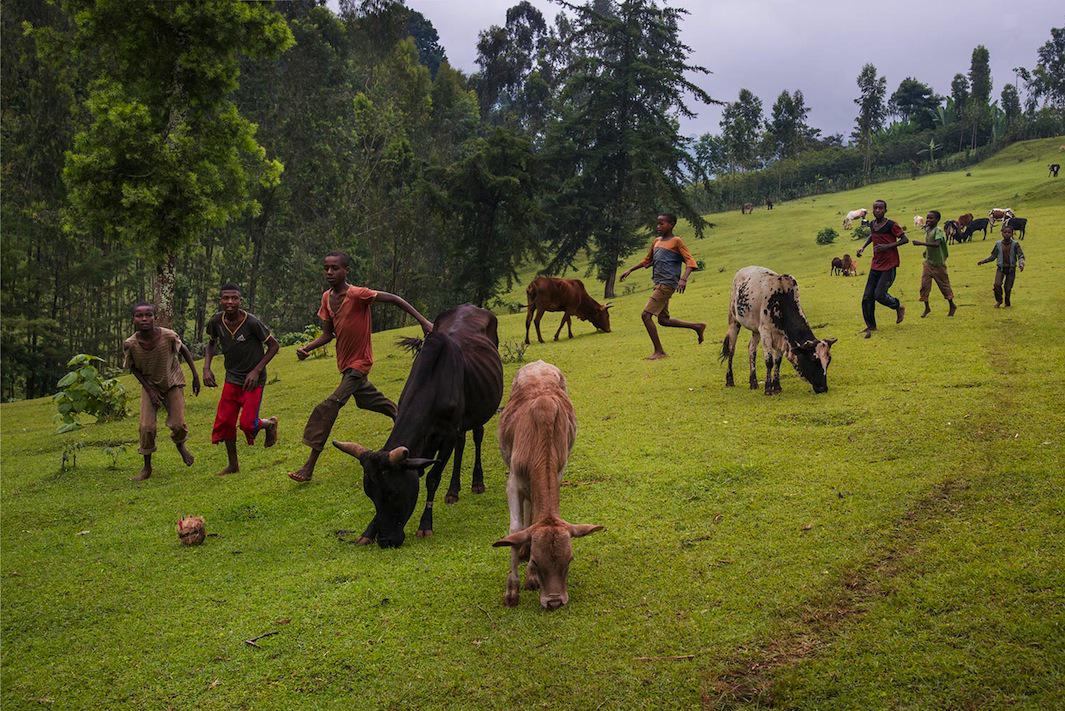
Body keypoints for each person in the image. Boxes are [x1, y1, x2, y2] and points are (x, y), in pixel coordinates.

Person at [288, 251, 434, 483]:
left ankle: (309, 466)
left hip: (359, 364)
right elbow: (328, 334)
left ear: (346, 270)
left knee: (330, 406)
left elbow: (395, 299)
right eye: (326, 268)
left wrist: (423, 321)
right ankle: (412, 424)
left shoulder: (358, 294)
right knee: (373, 401)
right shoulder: (327, 298)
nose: (329, 272)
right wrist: (308, 348)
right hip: (346, 366)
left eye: (334, 268)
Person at [203, 284, 280, 476]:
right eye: (226, 298)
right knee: (226, 423)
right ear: (220, 301)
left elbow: (273, 346)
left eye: (234, 298)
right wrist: (206, 368)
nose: (230, 302)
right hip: (232, 378)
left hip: (253, 380)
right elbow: (211, 343)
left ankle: (269, 424)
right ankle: (233, 465)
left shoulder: (252, 322)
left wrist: (257, 370)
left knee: (247, 424)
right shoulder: (215, 322)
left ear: (240, 300)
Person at [123, 302, 200, 480]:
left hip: (172, 382)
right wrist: (149, 390)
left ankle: (180, 445)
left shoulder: (168, 336)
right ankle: (147, 467)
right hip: (150, 386)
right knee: (146, 427)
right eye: (139, 316)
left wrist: (195, 376)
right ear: (133, 319)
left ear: (154, 317)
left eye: (148, 315)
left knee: (178, 424)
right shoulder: (130, 344)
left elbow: (185, 351)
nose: (144, 319)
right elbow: (133, 368)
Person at [619, 213, 706, 360]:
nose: (658, 227)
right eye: (657, 224)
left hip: (667, 284)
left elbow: (691, 262)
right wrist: (630, 269)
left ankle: (659, 351)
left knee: (646, 315)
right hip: (658, 283)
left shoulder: (676, 241)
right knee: (663, 320)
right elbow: (648, 260)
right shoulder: (656, 242)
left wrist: (683, 279)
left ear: (671, 224)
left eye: (662, 224)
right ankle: (697, 326)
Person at [856, 199, 909, 338]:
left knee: (879, 294)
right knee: (867, 296)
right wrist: (863, 247)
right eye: (875, 208)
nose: (878, 210)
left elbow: (905, 239)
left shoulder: (891, 225)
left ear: (885, 210)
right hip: (876, 265)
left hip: (889, 265)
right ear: (872, 210)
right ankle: (871, 326)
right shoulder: (873, 224)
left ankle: (897, 306)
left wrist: (887, 246)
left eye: (881, 208)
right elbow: (872, 236)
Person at [910, 210, 956, 318]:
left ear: (937, 220)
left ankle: (952, 305)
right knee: (924, 285)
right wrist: (926, 251)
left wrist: (920, 243)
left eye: (931, 218)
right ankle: (927, 308)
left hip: (938, 264)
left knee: (944, 286)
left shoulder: (938, 230)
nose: (928, 220)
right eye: (928, 218)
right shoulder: (928, 230)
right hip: (928, 263)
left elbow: (936, 244)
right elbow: (930, 244)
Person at [977, 224, 1025, 307]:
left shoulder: (1015, 244)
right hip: (1000, 268)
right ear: (1002, 233)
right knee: (997, 284)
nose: (1007, 234)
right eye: (1005, 232)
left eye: (1009, 232)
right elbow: (993, 256)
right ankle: (999, 300)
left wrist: (1021, 264)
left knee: (1008, 288)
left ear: (1012, 233)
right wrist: (983, 261)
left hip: (1011, 269)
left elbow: (1020, 255)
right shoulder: (998, 244)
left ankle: (1007, 302)